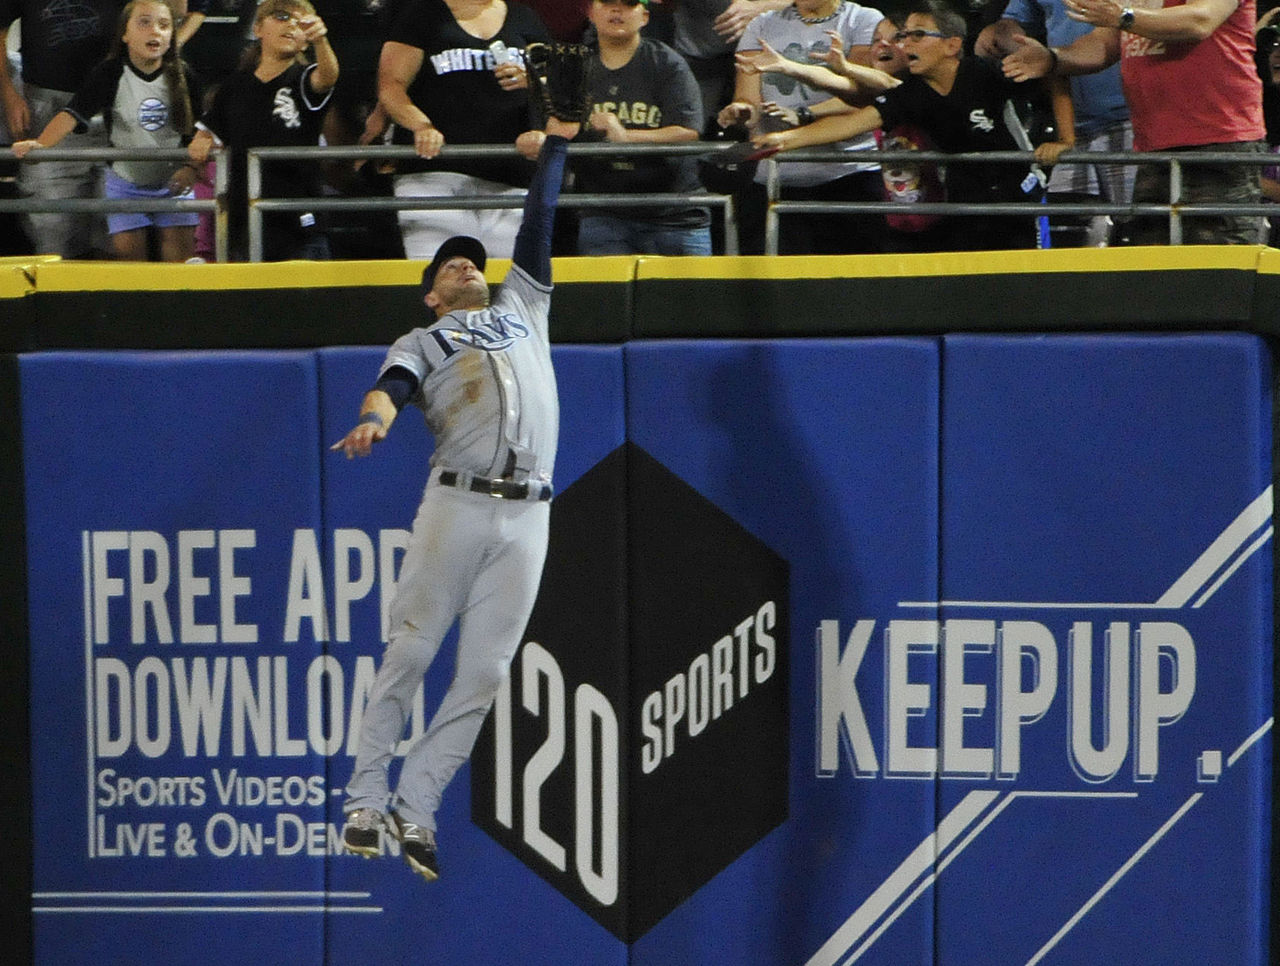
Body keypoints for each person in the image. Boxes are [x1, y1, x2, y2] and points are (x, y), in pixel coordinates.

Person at [336, 113, 580, 883]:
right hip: (460, 504)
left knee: (485, 674)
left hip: (530, 512)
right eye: (450, 266)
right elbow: (391, 392)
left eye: (473, 261)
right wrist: (373, 422)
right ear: (430, 294)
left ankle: (419, 805)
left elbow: (540, 219)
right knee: (410, 649)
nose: (466, 267)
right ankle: (365, 799)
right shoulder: (422, 340)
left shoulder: (522, 310)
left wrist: (562, 140)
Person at [752, 1, 1072, 251]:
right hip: (963, 201)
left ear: (951, 44)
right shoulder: (909, 93)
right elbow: (855, 122)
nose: (905, 45)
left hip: (1019, 197)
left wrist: (1065, 140)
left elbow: (1054, 77)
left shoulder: (988, 75)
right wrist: (783, 140)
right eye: (904, 36)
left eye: (918, 35)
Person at [1002, 0, 1267, 245]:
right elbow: (1104, 43)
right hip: (1153, 146)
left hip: (1218, 141)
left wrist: (1123, 15)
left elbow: (1200, 20)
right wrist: (1054, 58)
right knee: (1151, 264)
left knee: (1220, 263)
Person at [738, 17, 951, 251]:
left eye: (897, 38)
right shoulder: (885, 98)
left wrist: (843, 68)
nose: (884, 45)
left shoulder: (916, 88)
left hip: (942, 216)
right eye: (876, 40)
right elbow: (850, 99)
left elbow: (885, 83)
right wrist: (787, 132)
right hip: (894, 217)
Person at [12, 0, 203, 261]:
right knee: (128, 263)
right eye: (144, 23)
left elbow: (198, 131)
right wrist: (42, 144)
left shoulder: (184, 76)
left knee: (179, 261)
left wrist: (190, 168)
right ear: (124, 33)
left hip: (173, 181)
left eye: (163, 25)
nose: (155, 31)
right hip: (127, 182)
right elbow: (73, 113)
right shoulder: (109, 73)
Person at [377, 0, 550, 260]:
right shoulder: (421, 15)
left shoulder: (524, 17)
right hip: (435, 173)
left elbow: (558, 85)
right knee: (445, 274)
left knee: (508, 282)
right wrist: (420, 125)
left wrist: (533, 83)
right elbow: (391, 85)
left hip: (509, 175)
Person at [717, 0, 886, 254]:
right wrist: (742, 111)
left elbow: (861, 96)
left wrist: (803, 117)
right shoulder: (761, 24)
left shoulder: (863, 19)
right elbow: (748, 99)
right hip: (774, 177)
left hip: (848, 176)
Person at [188, 0, 338, 261]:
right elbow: (211, 128)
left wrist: (321, 42)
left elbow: (327, 77)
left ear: (306, 40)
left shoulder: (304, 78)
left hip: (298, 220)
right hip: (245, 220)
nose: (291, 24)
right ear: (258, 28)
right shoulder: (234, 86)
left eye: (300, 22)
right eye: (281, 16)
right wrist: (201, 139)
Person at [976, 0, 1132, 245]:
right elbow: (1018, 30)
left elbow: (1104, 43)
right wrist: (1009, 40)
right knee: (1064, 231)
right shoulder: (1052, 49)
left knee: (1136, 227)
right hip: (1073, 127)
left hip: (1131, 120)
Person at [572, 0, 711, 254]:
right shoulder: (574, 66)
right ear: (591, 13)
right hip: (603, 211)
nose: (617, 10)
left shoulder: (668, 63)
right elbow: (558, 127)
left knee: (691, 294)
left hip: (674, 213)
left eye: (628, 4)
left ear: (645, 16)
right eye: (607, 3)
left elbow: (688, 131)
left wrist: (625, 136)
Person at [0, 0, 132, 257]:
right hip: (47, 108)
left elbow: (170, 14)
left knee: (118, 229)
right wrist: (9, 94)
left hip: (116, 105)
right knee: (51, 227)